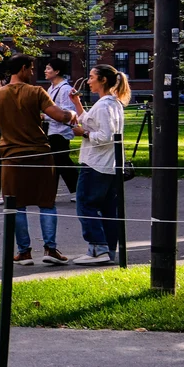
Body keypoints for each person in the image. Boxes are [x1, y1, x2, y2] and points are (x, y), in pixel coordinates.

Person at [0, 54, 79, 264]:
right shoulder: (36, 92)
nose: (33, 73)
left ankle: (24, 252)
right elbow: (59, 115)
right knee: (47, 204)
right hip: (40, 154)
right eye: (31, 69)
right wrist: (73, 115)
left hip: (11, 156)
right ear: (23, 68)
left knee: (16, 204)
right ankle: (50, 249)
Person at [70, 64, 129, 263]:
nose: (88, 81)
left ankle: (98, 248)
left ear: (103, 80)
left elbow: (105, 135)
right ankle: (109, 249)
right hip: (110, 164)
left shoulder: (104, 106)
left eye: (91, 77)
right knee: (108, 208)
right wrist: (77, 103)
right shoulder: (111, 103)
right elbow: (91, 121)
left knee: (85, 204)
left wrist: (83, 133)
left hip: (96, 164)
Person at [42, 57, 83, 196]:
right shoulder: (51, 88)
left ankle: (78, 190)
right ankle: (53, 191)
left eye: (48, 68)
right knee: (57, 162)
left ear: (57, 71)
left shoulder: (65, 89)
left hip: (61, 131)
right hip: (52, 130)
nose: (45, 71)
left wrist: (44, 116)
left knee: (62, 162)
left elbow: (67, 113)